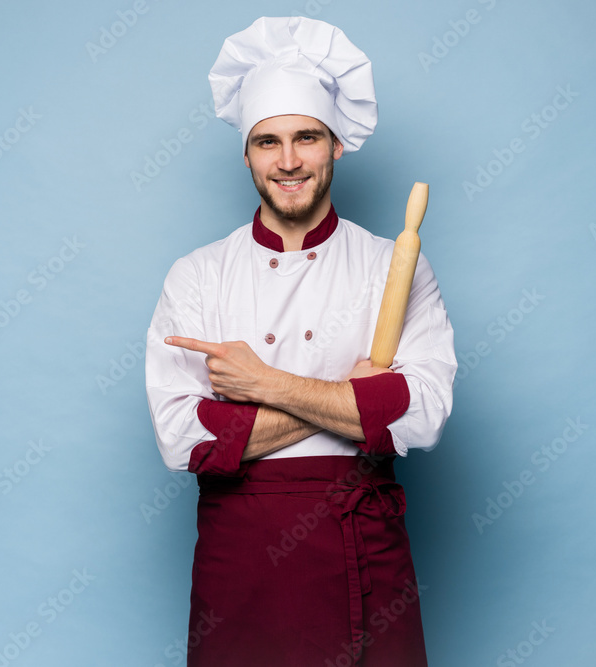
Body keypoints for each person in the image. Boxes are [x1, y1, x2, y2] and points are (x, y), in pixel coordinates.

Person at [145, 16, 456, 666]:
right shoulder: (197, 275)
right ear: (247, 153)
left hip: (363, 553)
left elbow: (422, 414)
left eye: (306, 137)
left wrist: (262, 385)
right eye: (268, 141)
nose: (287, 161)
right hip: (242, 569)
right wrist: (356, 401)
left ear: (336, 144)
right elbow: (183, 437)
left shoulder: (391, 266)